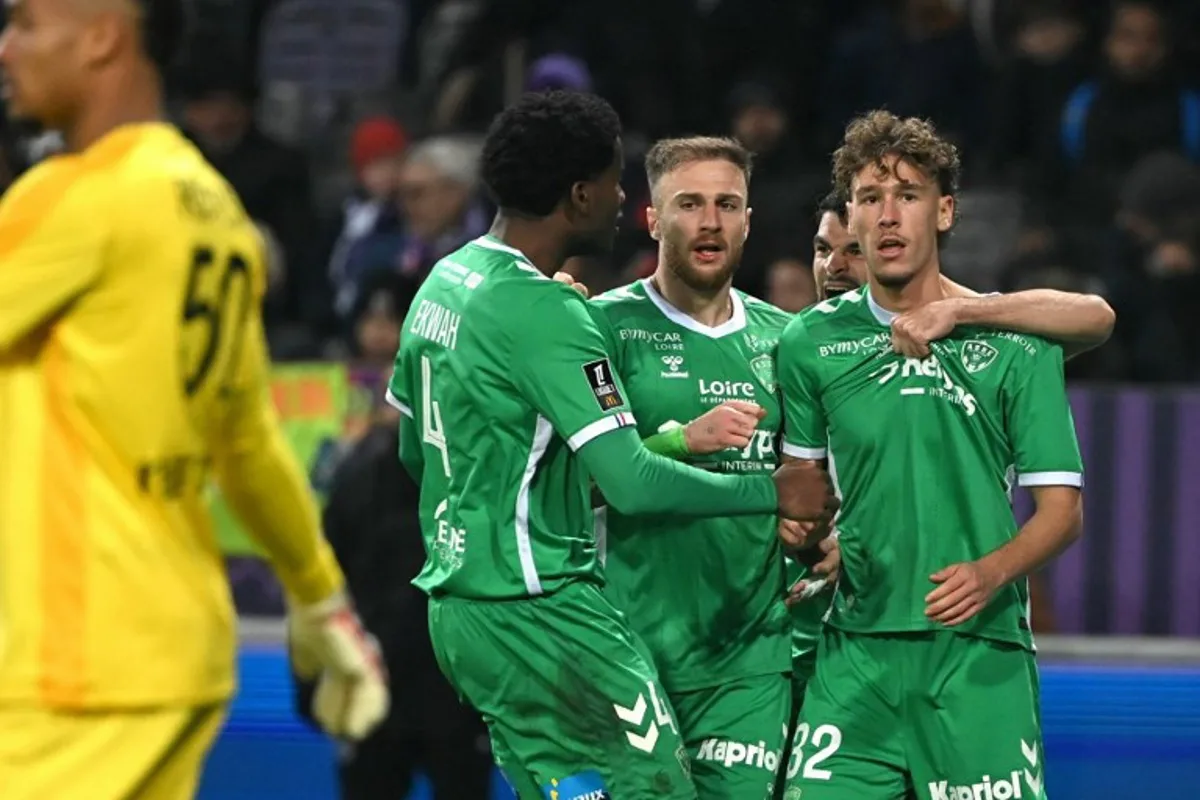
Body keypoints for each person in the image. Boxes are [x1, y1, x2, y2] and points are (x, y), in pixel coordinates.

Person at [386, 91, 837, 800]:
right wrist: (770, 491)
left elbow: (415, 449)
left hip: (459, 607)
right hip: (545, 602)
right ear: (579, 193)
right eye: (615, 182)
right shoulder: (556, 313)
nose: (620, 197)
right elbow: (629, 482)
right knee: (656, 790)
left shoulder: (445, 282)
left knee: (582, 791)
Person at [0, 2, 388, 798]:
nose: (8, 47)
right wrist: (321, 598)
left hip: (70, 664)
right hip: (175, 652)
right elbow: (245, 442)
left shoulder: (77, 199)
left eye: (28, 23)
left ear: (104, 34)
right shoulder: (214, 212)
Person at [778, 110, 1090, 800]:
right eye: (869, 199)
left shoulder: (1017, 344)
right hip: (853, 654)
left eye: (908, 196)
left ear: (944, 212)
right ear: (850, 221)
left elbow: (1062, 513)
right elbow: (804, 483)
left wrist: (990, 572)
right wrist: (805, 531)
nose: (888, 217)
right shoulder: (808, 343)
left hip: (977, 654)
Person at [590, 136, 814, 800]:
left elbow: (814, 486)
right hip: (627, 654)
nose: (710, 221)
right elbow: (574, 485)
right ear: (653, 219)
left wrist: (825, 535)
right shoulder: (601, 329)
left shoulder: (787, 341)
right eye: (689, 204)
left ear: (748, 220)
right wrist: (680, 443)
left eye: (727, 204)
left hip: (749, 658)